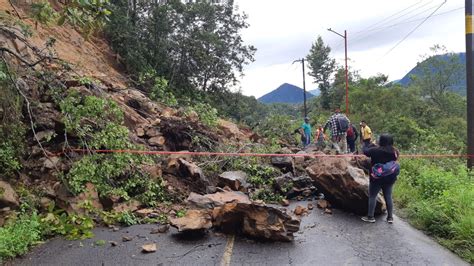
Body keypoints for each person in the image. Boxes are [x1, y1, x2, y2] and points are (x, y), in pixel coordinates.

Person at [361, 134, 400, 224]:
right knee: (388, 196)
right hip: (389, 177)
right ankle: (390, 217)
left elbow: (365, 151)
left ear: (381, 141)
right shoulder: (395, 151)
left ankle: (370, 217)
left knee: (373, 196)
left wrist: (370, 144)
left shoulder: (375, 150)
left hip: (376, 177)